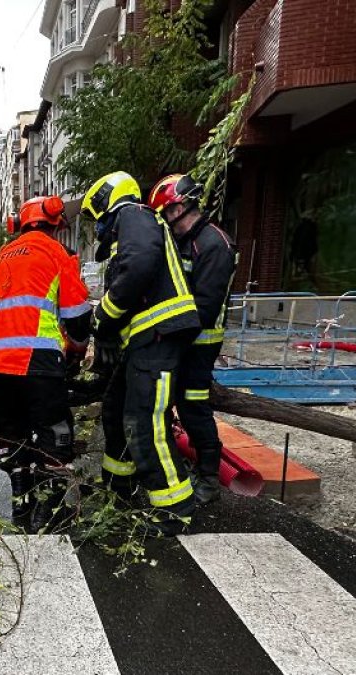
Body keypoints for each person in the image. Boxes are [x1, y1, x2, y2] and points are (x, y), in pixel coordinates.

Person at [83, 171, 201, 534]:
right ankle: (119, 488)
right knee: (117, 413)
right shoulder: (130, 226)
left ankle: (174, 508)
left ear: (107, 201)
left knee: (145, 423)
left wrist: (103, 314)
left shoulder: (134, 215)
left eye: (97, 215)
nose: (97, 225)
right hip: (144, 342)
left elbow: (137, 271)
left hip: (160, 337)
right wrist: (107, 339)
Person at [0, 195, 91, 531]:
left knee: (10, 435)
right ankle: (48, 514)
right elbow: (77, 315)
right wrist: (77, 348)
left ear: (20, 223)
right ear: (56, 224)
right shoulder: (57, 253)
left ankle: (21, 503)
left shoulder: (1, 255)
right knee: (54, 433)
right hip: (37, 360)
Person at [148, 174, 238, 506]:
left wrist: (163, 332)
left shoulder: (214, 245)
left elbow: (203, 306)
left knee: (193, 406)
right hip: (180, 340)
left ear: (183, 206)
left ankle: (210, 478)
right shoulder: (184, 242)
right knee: (165, 401)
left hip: (200, 344)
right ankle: (179, 463)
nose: (168, 222)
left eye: (168, 213)